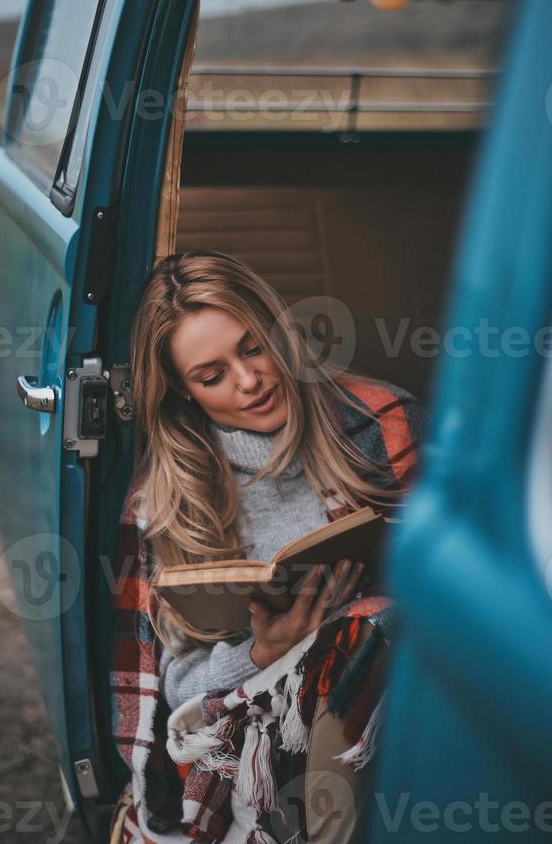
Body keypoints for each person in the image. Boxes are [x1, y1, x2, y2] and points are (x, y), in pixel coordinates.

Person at [110, 249, 422, 844]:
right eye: (213, 375)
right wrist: (260, 653)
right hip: (268, 725)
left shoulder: (379, 422)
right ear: (181, 389)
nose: (249, 381)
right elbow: (173, 687)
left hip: (406, 678)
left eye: (254, 348)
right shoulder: (168, 502)